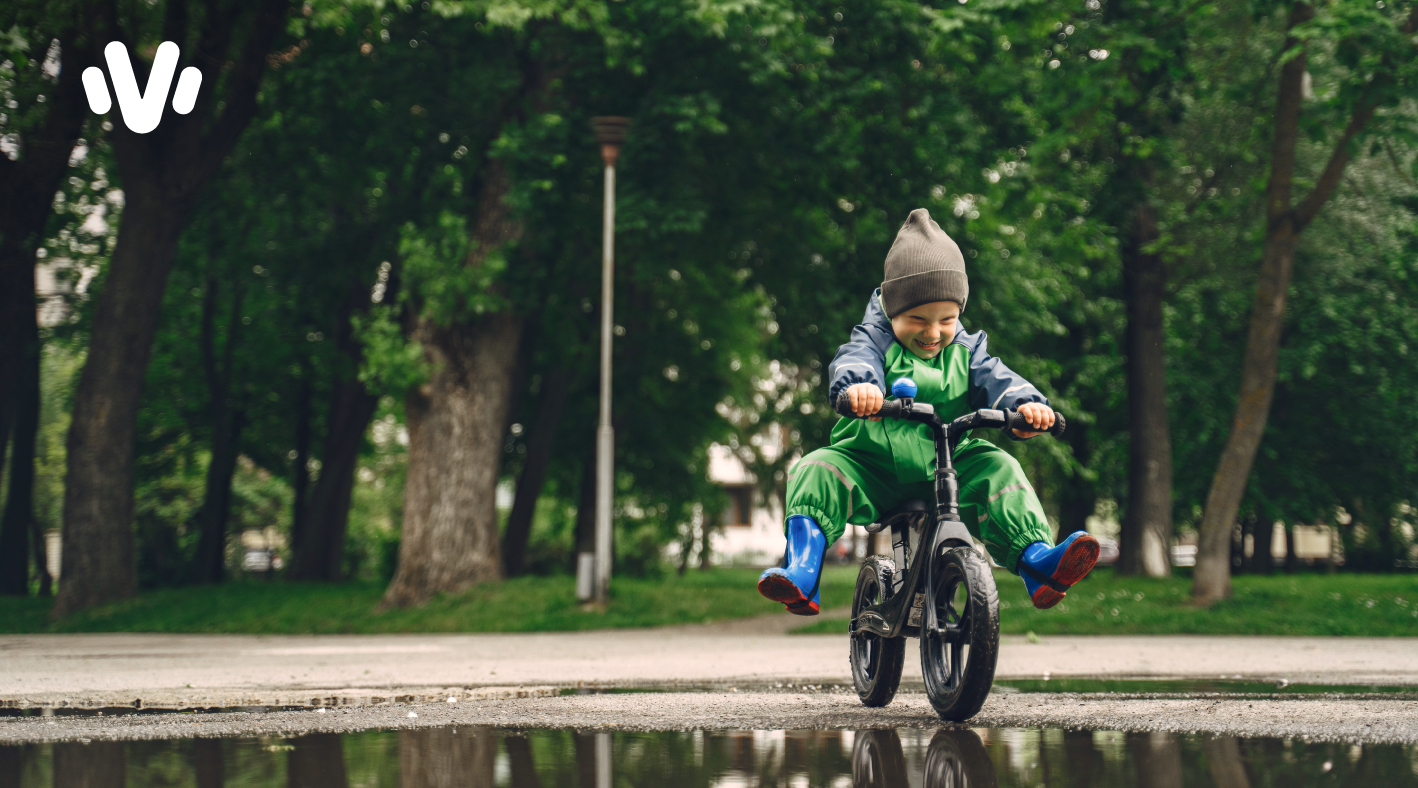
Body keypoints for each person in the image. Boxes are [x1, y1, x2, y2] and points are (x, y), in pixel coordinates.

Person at [757, 208, 1099, 615]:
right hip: (871, 466)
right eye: (917, 319)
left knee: (1001, 468)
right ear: (892, 310)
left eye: (947, 319)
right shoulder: (873, 341)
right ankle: (802, 571)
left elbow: (999, 379)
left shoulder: (968, 353)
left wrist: (1027, 408)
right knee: (815, 469)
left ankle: (1038, 562)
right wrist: (860, 389)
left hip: (949, 465)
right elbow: (855, 361)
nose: (933, 332)